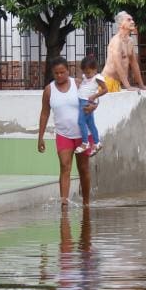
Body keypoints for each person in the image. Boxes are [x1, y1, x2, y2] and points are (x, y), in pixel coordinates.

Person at [37, 57, 93, 208]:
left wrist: (92, 107)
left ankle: (86, 202)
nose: (60, 76)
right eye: (56, 73)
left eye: (62, 72)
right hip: (63, 135)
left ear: (68, 70)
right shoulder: (49, 90)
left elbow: (93, 99)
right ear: (52, 73)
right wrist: (40, 137)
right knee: (64, 166)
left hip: (83, 135)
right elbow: (44, 113)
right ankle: (64, 204)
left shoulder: (78, 84)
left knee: (83, 168)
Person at [101, 11, 146, 94]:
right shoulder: (116, 41)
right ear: (121, 25)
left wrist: (141, 85)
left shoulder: (130, 41)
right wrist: (128, 86)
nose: (132, 22)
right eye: (129, 20)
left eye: (132, 19)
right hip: (107, 82)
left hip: (116, 83)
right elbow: (118, 65)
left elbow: (134, 64)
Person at [75, 56, 107, 156]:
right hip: (81, 101)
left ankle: (85, 143)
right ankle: (97, 143)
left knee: (81, 122)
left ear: (95, 69)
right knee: (90, 124)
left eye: (88, 72)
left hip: (87, 102)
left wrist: (95, 96)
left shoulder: (97, 78)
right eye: (84, 72)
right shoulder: (85, 77)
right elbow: (83, 84)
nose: (87, 75)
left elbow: (105, 89)